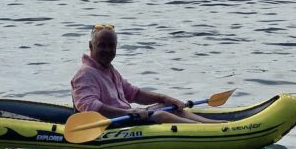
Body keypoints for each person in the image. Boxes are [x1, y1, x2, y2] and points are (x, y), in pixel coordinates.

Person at [71, 24, 219, 124]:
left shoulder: (109, 70)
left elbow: (134, 94)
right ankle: (210, 131)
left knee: (168, 107)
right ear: (91, 46)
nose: (107, 50)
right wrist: (129, 111)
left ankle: (215, 125)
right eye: (102, 46)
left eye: (111, 46)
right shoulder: (85, 74)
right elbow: (90, 106)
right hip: (109, 124)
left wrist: (166, 98)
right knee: (160, 115)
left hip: (128, 116)